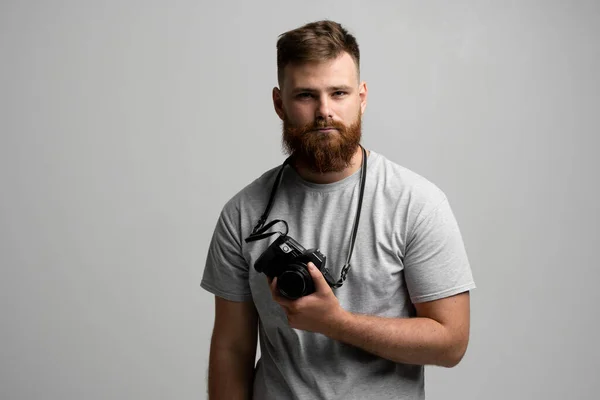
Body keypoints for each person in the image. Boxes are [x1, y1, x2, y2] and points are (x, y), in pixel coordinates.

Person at [200, 19, 476, 400]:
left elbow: (450, 342)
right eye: (306, 95)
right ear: (280, 103)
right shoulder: (244, 213)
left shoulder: (416, 203)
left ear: (361, 97)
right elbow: (232, 348)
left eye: (339, 93)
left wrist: (336, 323)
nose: (324, 110)